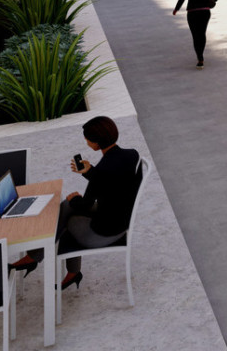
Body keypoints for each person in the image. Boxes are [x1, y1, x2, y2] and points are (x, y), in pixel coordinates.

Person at [9, 116, 141, 292]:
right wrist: (90, 171)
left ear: (96, 142)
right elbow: (112, 183)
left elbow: (85, 204)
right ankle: (60, 268)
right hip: (118, 216)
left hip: (104, 232)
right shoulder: (132, 154)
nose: (86, 141)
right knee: (66, 208)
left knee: (67, 216)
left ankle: (35, 257)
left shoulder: (104, 168)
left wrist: (75, 198)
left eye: (87, 138)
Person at [173, 0, 219, 68]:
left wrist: (176, 9)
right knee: (202, 34)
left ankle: (199, 57)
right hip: (205, 12)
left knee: (195, 35)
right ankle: (201, 57)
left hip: (192, 12)